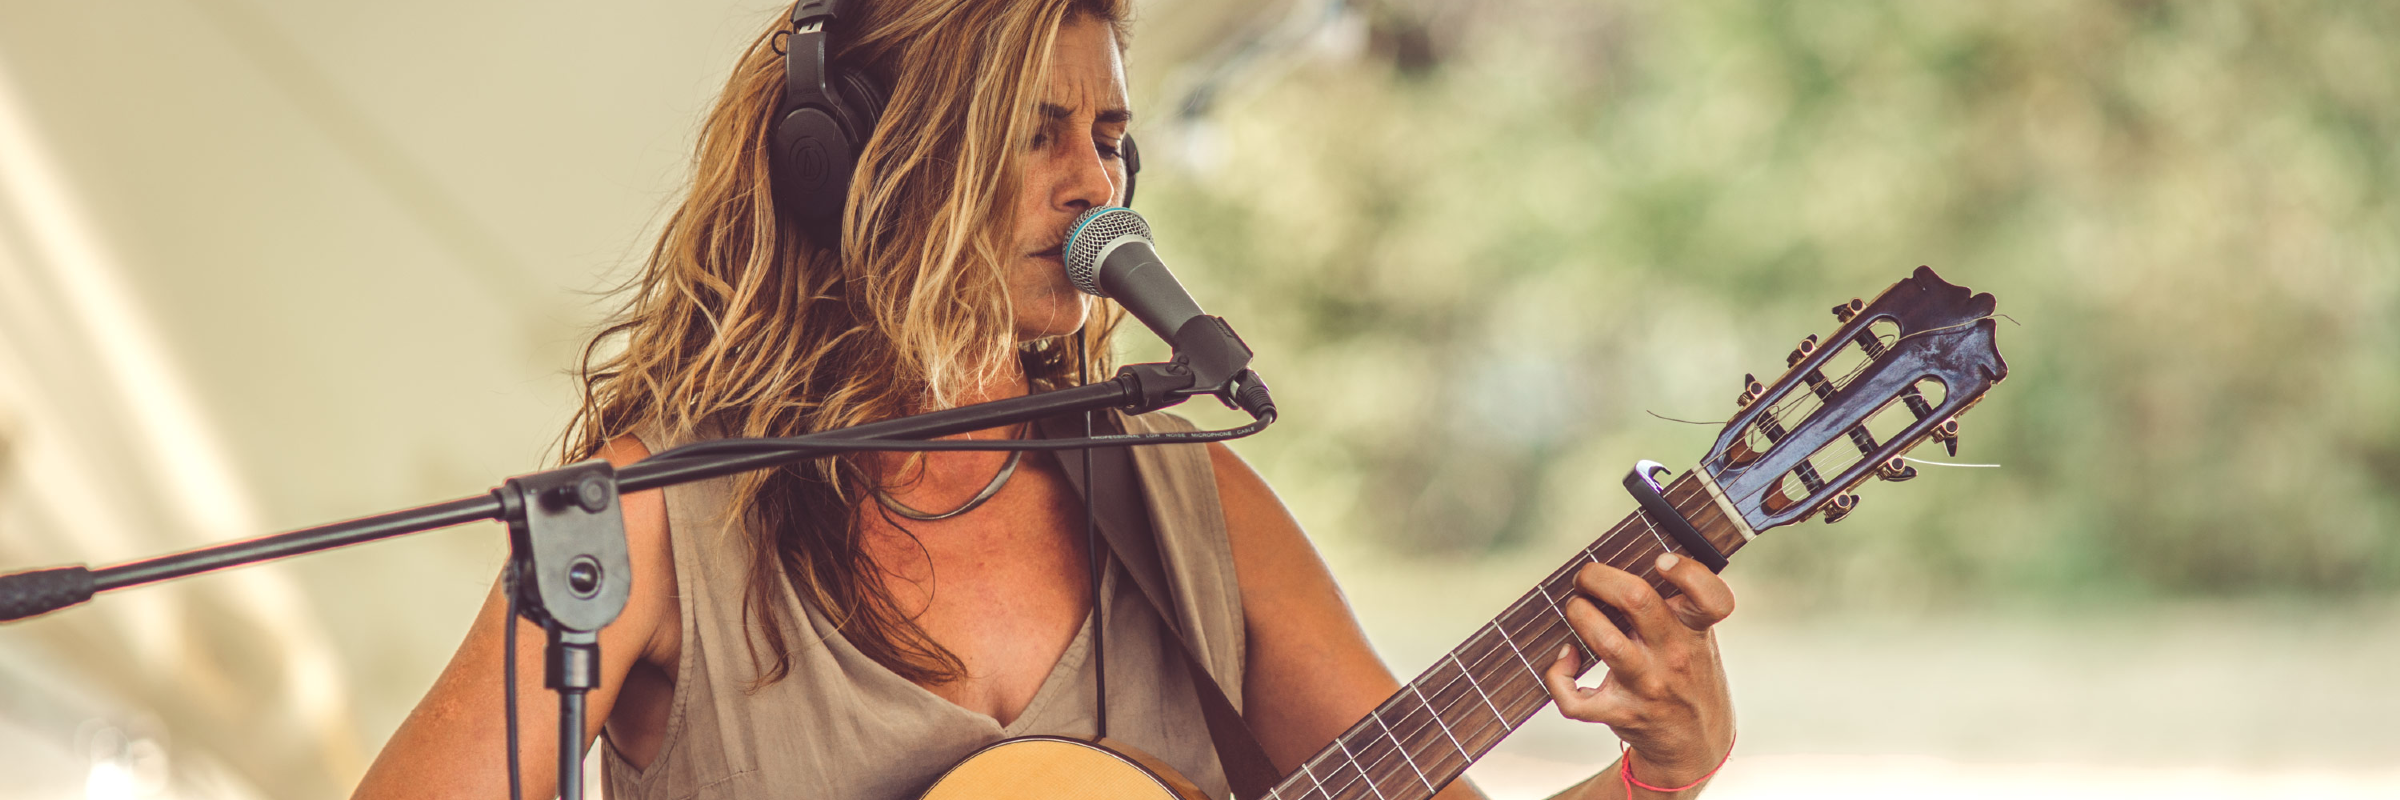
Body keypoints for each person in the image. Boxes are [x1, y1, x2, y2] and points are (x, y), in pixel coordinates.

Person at [353, 1, 1736, 798]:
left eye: (1114, 137)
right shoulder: (659, 518)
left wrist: (1654, 777)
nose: (1095, 184)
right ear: (857, 161)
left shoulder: (1190, 497)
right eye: (1036, 132)